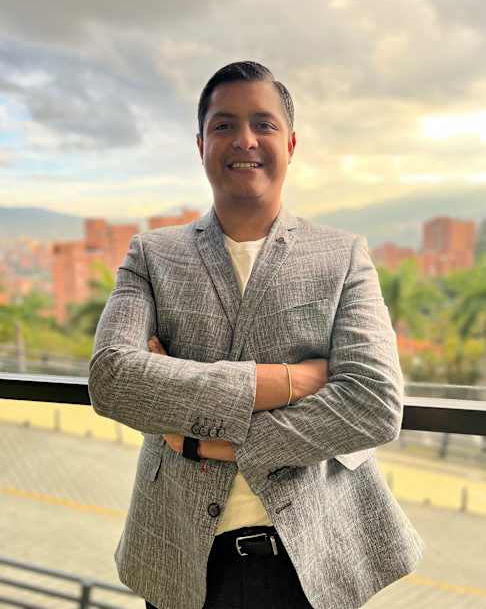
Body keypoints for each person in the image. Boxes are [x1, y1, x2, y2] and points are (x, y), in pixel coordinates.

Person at [88, 61, 425, 609]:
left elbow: (375, 403)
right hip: (180, 554)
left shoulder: (341, 254)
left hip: (313, 555)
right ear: (201, 145)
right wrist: (292, 381)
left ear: (290, 143)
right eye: (224, 125)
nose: (245, 139)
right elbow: (112, 379)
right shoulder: (152, 254)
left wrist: (202, 442)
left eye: (263, 124)